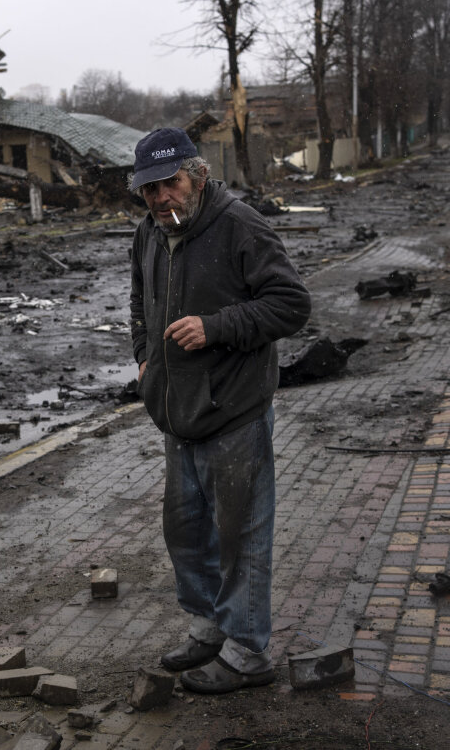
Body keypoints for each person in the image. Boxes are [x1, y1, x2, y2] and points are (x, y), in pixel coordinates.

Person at [128, 128, 311, 694]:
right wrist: (144, 361)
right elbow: (140, 304)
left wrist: (215, 327)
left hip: (234, 411)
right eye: (149, 189)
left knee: (241, 538)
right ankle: (209, 626)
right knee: (186, 534)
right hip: (177, 414)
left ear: (198, 176)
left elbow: (290, 305)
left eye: (170, 184)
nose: (161, 198)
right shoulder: (150, 234)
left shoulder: (240, 226)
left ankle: (249, 650)